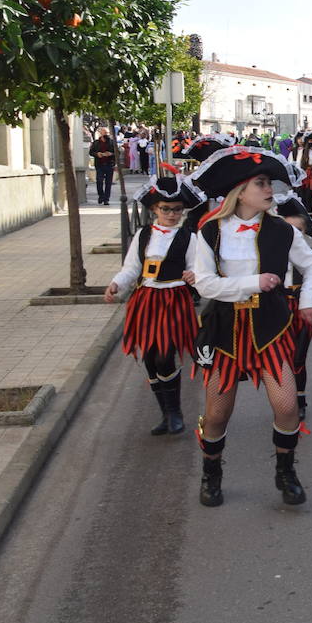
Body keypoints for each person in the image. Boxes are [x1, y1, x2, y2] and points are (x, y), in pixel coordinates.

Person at [187, 146, 312, 509]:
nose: (270, 190)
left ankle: (285, 471)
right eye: (261, 183)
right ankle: (211, 472)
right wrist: (252, 282)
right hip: (226, 331)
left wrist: (310, 298)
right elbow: (204, 285)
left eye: (270, 183)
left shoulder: (283, 231)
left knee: (286, 407)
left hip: (271, 328)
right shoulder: (210, 231)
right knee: (217, 413)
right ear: (240, 191)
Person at [103, 169, 207, 435]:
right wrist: (116, 283)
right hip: (146, 299)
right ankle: (165, 414)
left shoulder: (189, 238)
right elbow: (131, 267)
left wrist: (193, 275)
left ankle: (175, 413)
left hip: (174, 299)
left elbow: (199, 269)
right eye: (166, 209)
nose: (171, 214)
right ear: (154, 209)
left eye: (177, 209)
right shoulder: (143, 235)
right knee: (150, 357)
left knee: (164, 355)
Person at [274, 189, 312, 423]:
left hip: (302, 309)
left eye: (299, 231)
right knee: (280, 358)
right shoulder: (272, 256)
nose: (294, 237)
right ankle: (284, 399)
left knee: (298, 358)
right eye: (288, 231)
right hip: (278, 309)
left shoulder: (310, 258)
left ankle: (299, 400)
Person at [295, 131, 312, 213]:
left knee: (310, 197)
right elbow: (298, 164)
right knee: (302, 196)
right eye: (310, 141)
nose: (311, 142)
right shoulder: (302, 151)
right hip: (303, 176)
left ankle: (309, 215)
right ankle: (302, 214)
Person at [89, 127, 116, 205]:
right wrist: (97, 154)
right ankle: (101, 196)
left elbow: (117, 152)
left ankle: (106, 199)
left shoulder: (112, 142)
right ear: (101, 133)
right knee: (99, 181)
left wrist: (111, 154)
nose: (106, 134)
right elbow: (91, 152)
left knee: (108, 183)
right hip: (99, 165)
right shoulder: (96, 143)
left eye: (107, 133)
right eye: (105, 133)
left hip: (109, 164)